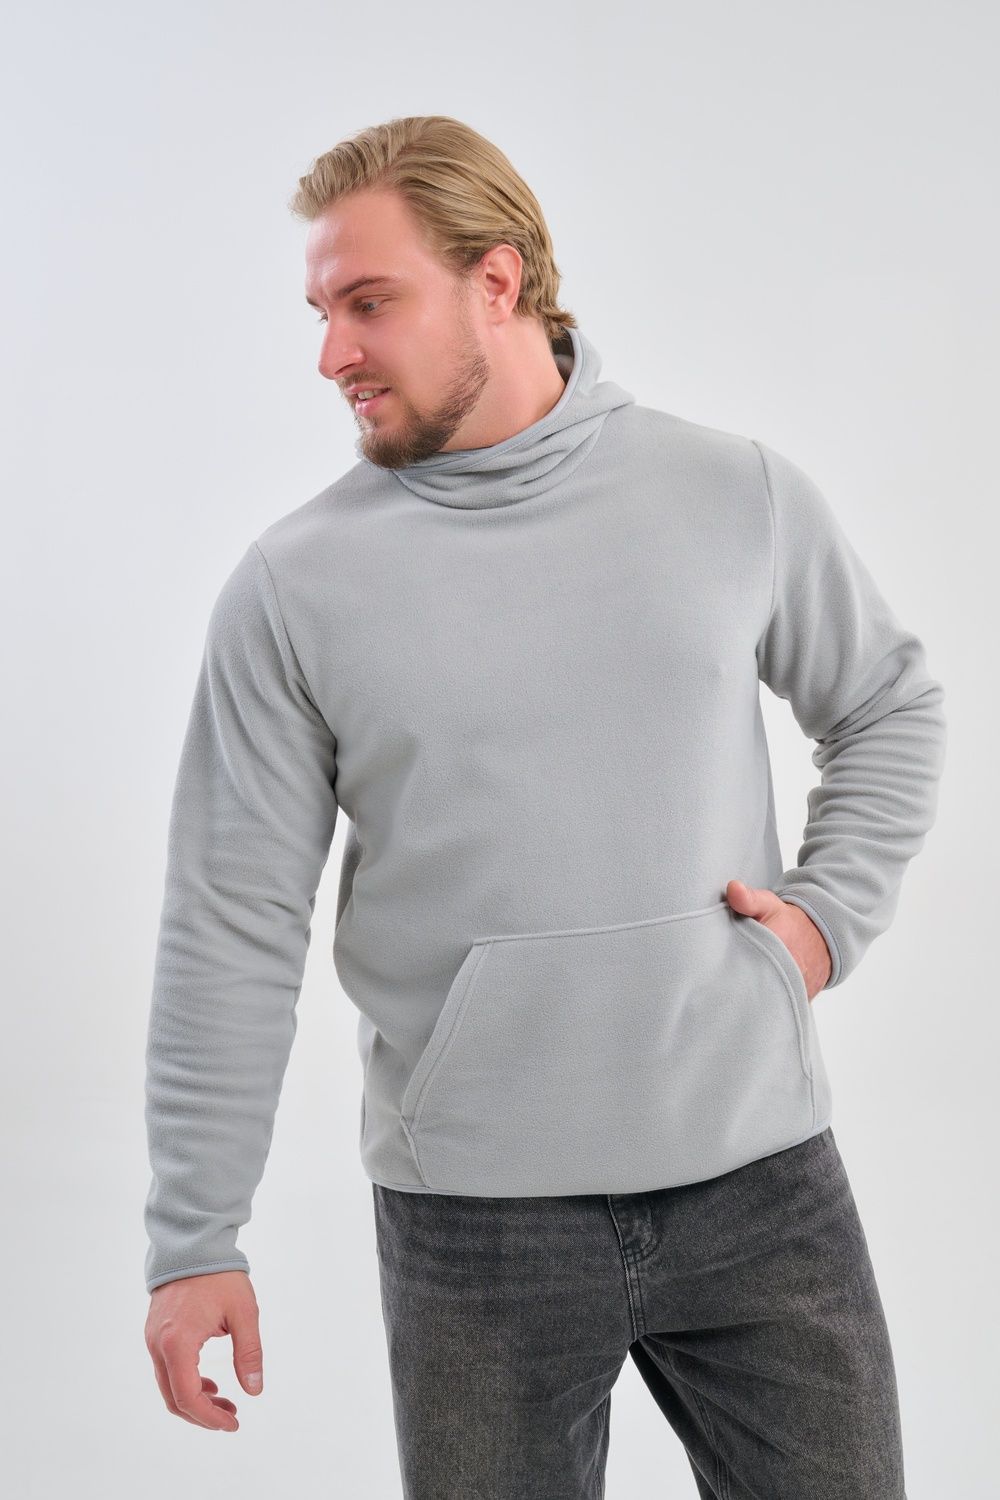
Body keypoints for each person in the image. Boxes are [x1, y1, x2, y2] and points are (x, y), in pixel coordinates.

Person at [142, 114, 945, 1498]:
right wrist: (194, 1240)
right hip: (476, 1227)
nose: (332, 354)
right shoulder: (295, 587)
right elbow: (232, 918)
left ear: (498, 281)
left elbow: (887, 704)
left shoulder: (730, 493)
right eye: (323, 314)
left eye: (369, 303)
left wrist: (822, 924)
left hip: (759, 1178)